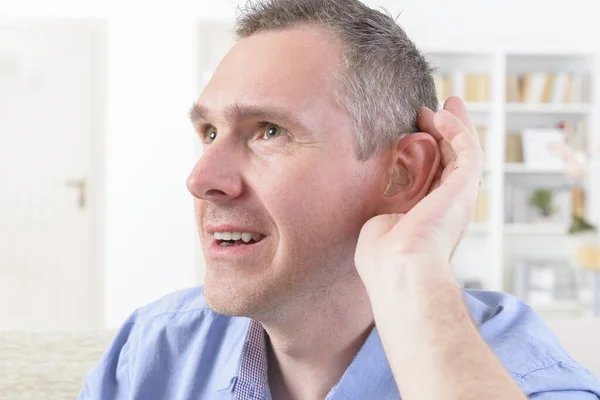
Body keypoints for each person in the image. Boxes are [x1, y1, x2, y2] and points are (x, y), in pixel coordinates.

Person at [79, 0, 600, 399]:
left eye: (269, 131)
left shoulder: (519, 376)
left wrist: (415, 269)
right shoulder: (154, 350)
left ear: (402, 173)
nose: (202, 179)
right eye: (210, 133)